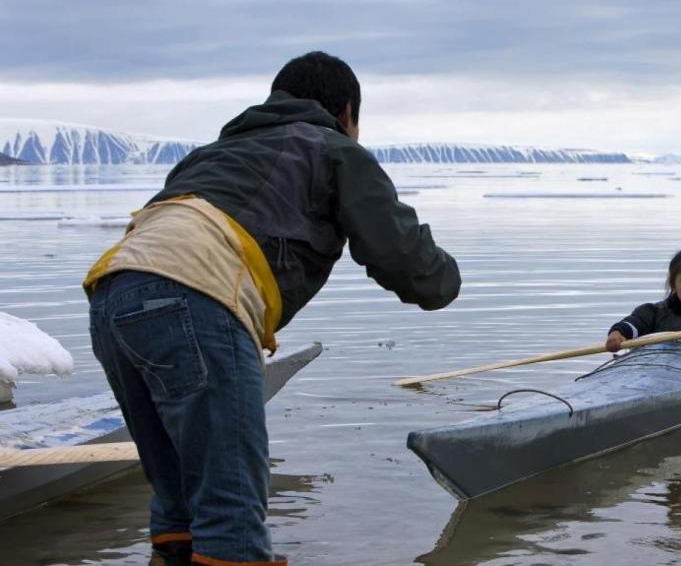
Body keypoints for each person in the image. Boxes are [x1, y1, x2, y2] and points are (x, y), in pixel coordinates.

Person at [83, 51, 461, 566]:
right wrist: (447, 277)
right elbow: (407, 263)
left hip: (111, 296)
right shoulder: (332, 147)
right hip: (196, 295)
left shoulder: (210, 155)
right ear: (346, 112)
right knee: (229, 512)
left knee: (179, 507)